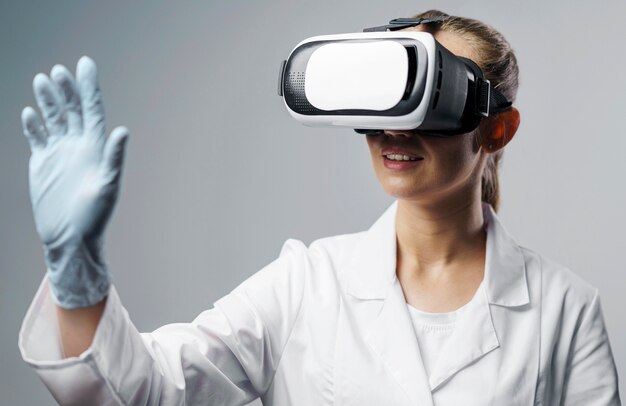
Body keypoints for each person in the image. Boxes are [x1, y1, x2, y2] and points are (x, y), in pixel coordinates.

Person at [18, 9, 620, 406]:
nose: (394, 131)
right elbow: (147, 388)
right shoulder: (308, 284)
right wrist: (76, 272)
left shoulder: (565, 312)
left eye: (427, 96)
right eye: (383, 99)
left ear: (496, 130)